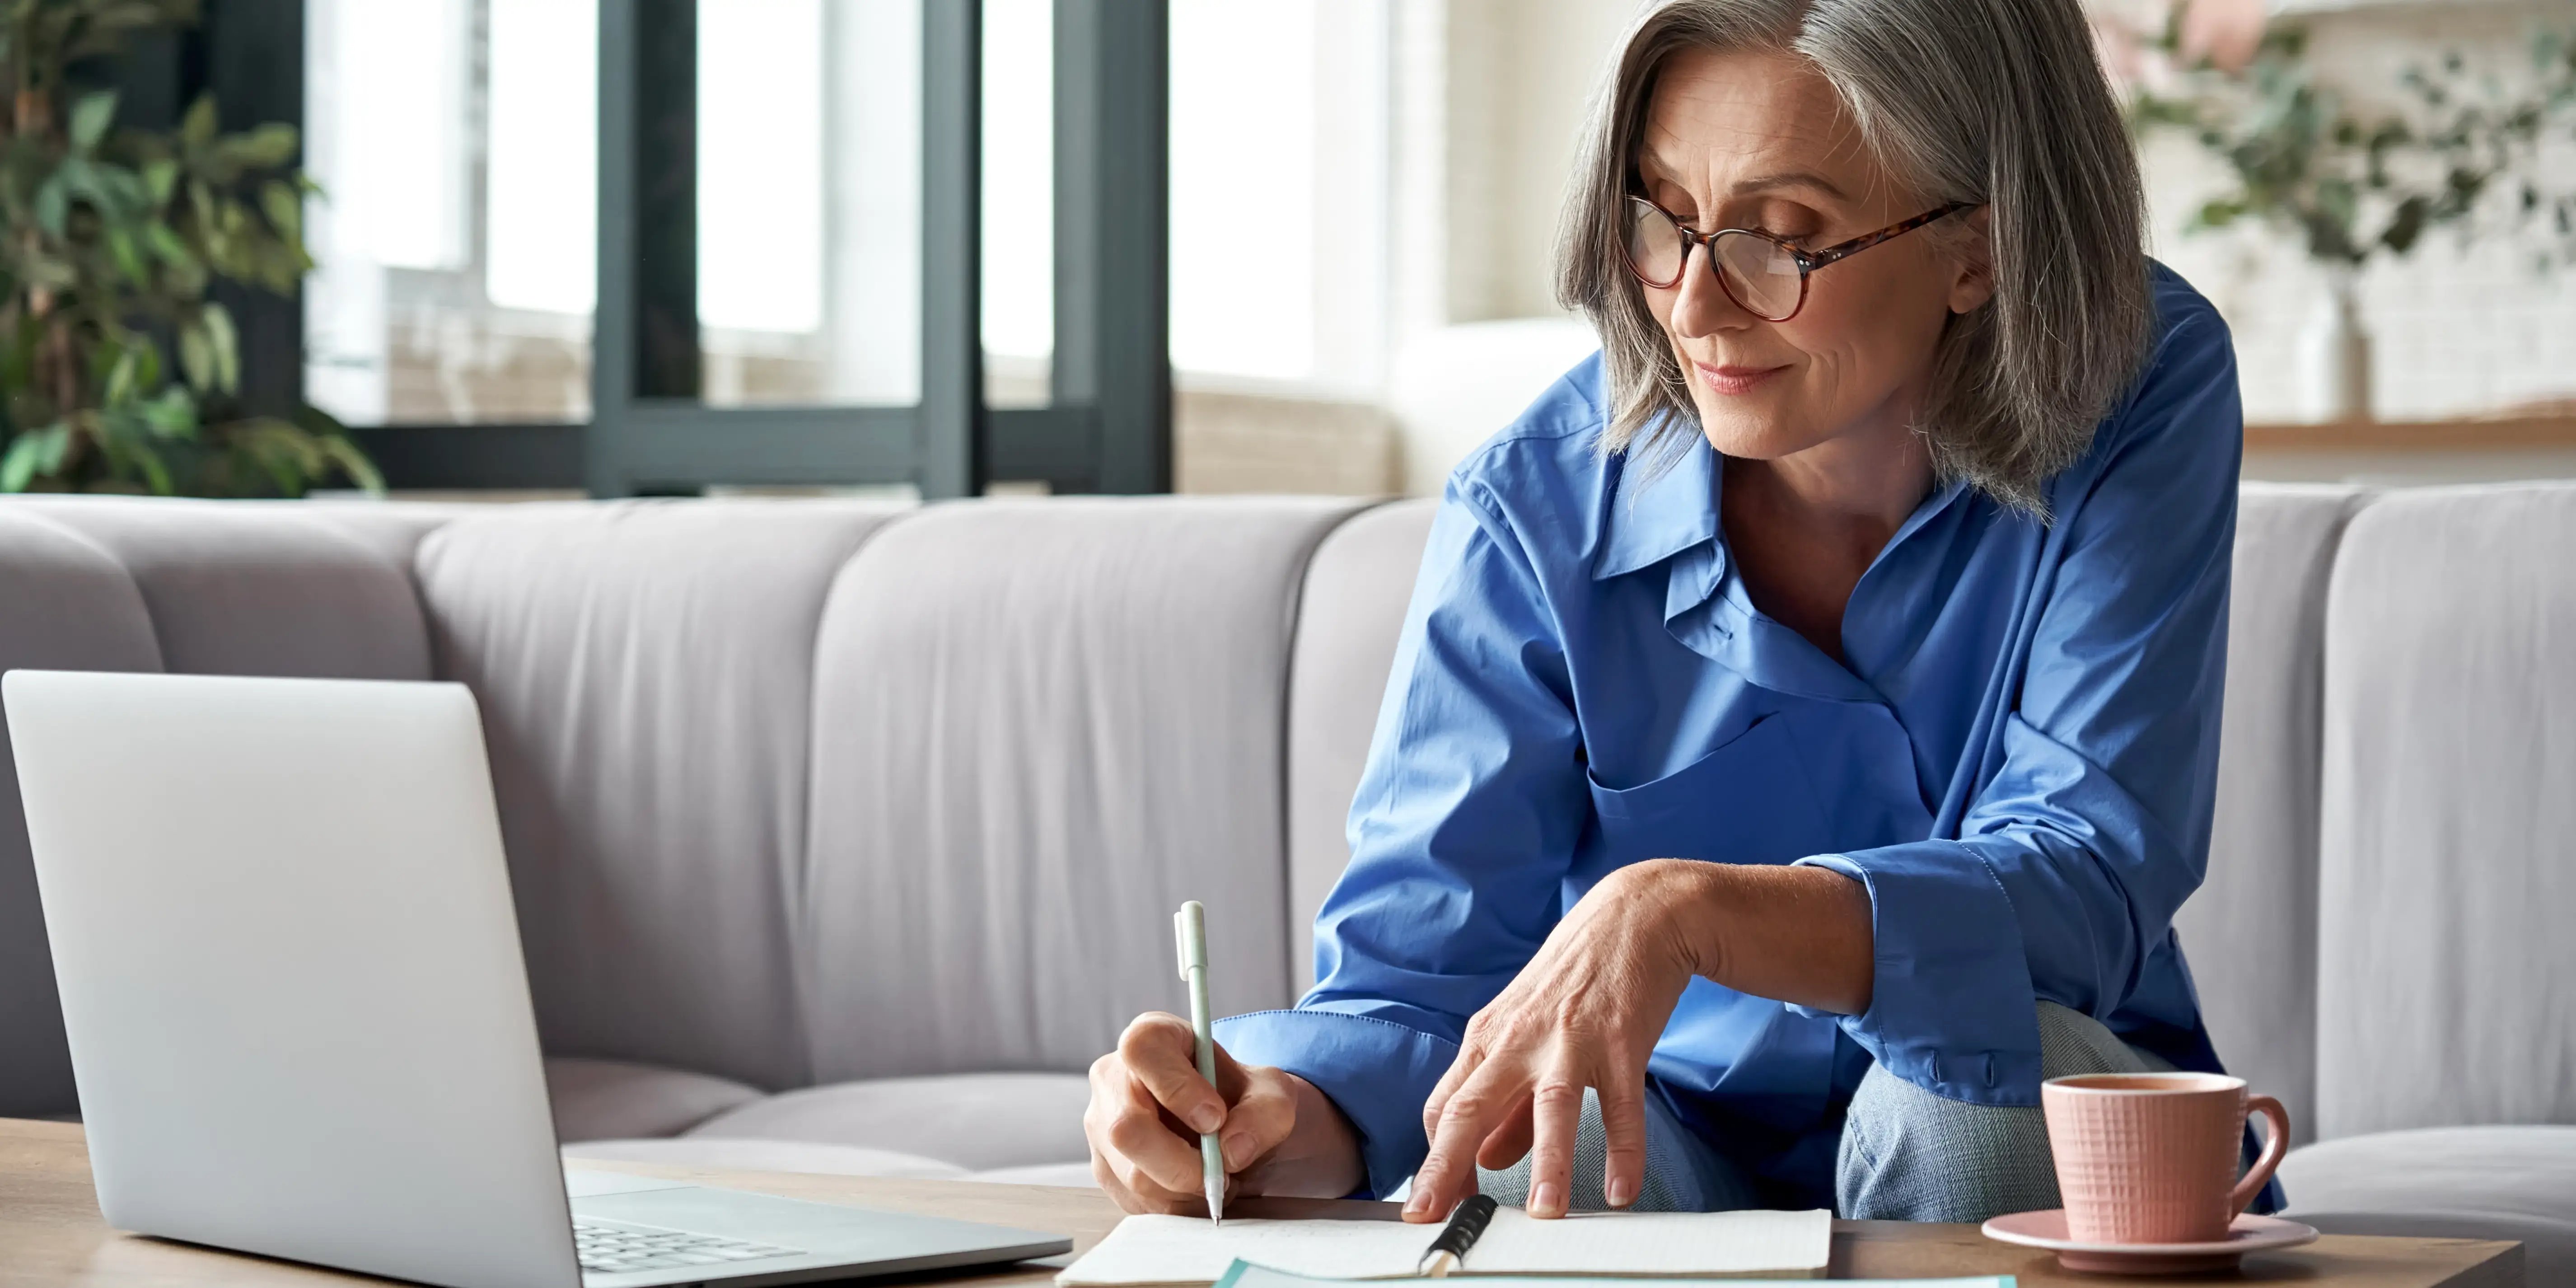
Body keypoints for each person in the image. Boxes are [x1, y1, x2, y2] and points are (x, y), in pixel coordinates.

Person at [1085, 0, 2258, 1224]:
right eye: (1662, 219)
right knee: (1530, 1129)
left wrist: (1691, 912)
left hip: (2024, 1098)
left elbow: (2084, 878)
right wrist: (1265, 1115)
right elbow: (1418, 989)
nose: (1694, 305)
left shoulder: (2140, 384)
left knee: (1955, 1093)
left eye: (1782, 237)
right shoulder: (1532, 503)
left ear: (1982, 247)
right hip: (1678, 1134)